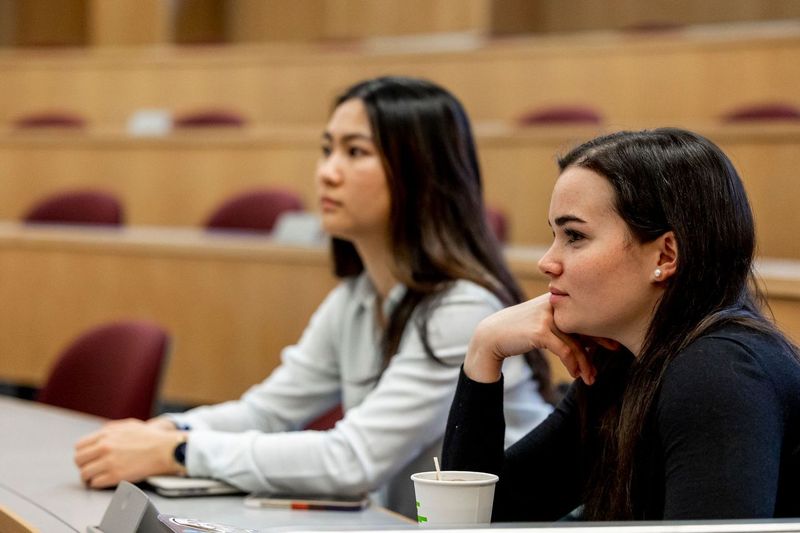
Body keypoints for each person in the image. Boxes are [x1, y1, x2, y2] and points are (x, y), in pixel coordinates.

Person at [73, 76, 553, 517]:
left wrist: (179, 453)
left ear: (421, 171)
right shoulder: (359, 296)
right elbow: (268, 411)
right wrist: (168, 430)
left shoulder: (461, 309)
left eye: (355, 152)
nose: (327, 172)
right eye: (327, 150)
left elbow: (353, 460)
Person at [442, 128, 800, 521]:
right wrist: (483, 350)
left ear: (665, 254)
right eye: (554, 235)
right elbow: (478, 518)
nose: (547, 261)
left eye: (574, 236)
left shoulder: (719, 373)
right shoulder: (625, 365)